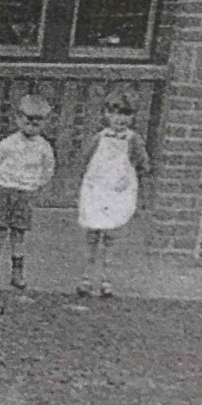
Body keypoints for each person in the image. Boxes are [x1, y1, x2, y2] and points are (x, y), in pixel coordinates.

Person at [77, 90, 151, 298]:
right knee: (92, 235)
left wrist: (129, 176)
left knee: (111, 236)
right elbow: (85, 160)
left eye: (126, 114)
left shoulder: (133, 140)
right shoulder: (98, 138)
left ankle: (106, 279)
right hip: (97, 191)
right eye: (115, 113)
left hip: (117, 193)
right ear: (106, 114)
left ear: (132, 117)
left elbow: (143, 164)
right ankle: (86, 278)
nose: (120, 119)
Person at [0, 94, 56, 291]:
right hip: (5, 190)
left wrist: (34, 185)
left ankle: (17, 273)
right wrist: (0, 182)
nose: (32, 124)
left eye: (38, 120)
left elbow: (48, 170)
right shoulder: (8, 142)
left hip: (25, 193)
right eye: (28, 119)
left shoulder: (44, 147)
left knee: (18, 234)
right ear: (18, 118)